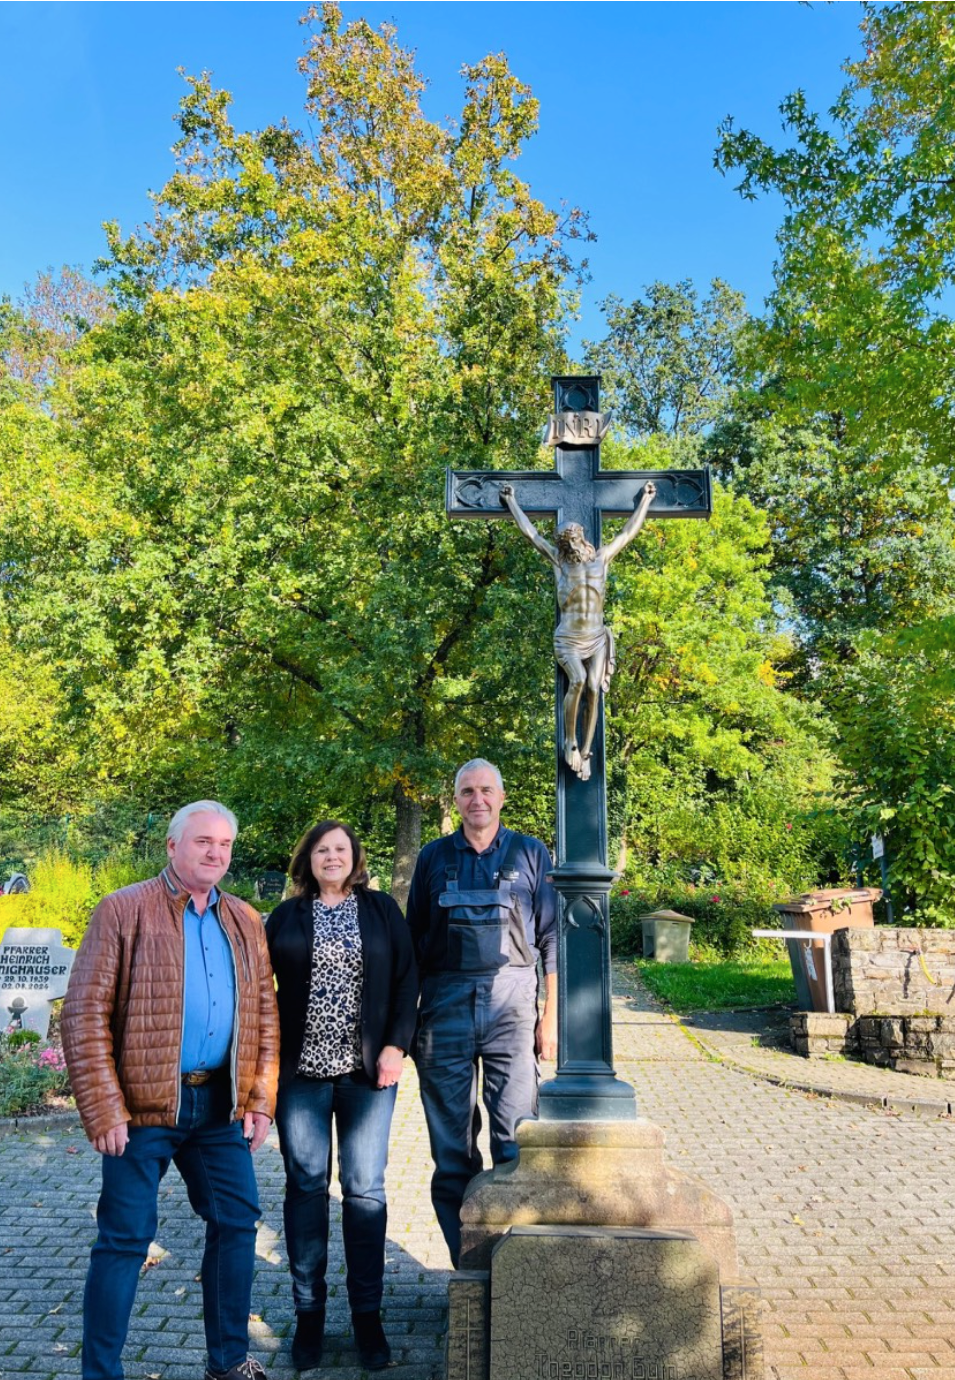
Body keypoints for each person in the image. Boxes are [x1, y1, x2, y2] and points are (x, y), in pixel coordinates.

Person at [61, 801, 279, 1380]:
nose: (215, 853)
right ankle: (100, 1374)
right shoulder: (123, 910)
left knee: (237, 1222)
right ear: (173, 846)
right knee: (125, 1240)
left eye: (225, 844)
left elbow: (263, 1016)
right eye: (203, 841)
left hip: (218, 1108)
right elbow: (84, 1014)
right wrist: (104, 1107)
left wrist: (259, 1098)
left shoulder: (245, 920)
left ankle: (228, 1362)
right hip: (141, 1112)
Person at [265, 821, 417, 1372]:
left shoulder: (380, 911)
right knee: (306, 1187)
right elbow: (261, 994)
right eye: (322, 850)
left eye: (341, 849)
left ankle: (366, 1317)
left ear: (355, 858)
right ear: (307, 860)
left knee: (364, 1190)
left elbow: (407, 980)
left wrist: (397, 1046)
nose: (332, 857)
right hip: (300, 1077)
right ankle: (308, 1317)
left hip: (367, 1075)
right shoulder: (283, 918)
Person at [407, 759, 558, 1266]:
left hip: (513, 1006)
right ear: (456, 800)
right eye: (467, 791)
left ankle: (516, 1265)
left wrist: (550, 1018)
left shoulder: (531, 853)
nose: (478, 799)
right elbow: (413, 947)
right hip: (444, 1007)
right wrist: (407, 1024)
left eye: (486, 790)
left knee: (516, 1140)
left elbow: (553, 941)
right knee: (452, 1151)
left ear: (502, 796)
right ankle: (469, 1265)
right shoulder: (433, 858)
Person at [499, 480, 657, 780]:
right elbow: (531, 534)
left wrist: (646, 501)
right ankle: (569, 740)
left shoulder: (601, 560)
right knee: (579, 680)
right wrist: (512, 503)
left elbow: (627, 533)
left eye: (572, 539)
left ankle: (585, 752)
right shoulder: (559, 563)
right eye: (565, 541)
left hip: (596, 638)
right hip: (569, 640)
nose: (570, 545)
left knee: (595, 689)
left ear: (582, 539)